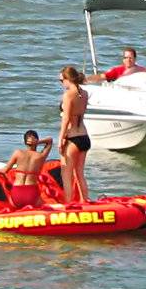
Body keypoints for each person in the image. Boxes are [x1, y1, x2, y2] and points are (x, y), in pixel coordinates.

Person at [58, 65, 91, 204]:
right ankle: (85, 202)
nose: (61, 84)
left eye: (61, 81)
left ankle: (68, 205)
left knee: (66, 174)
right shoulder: (84, 93)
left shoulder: (68, 95)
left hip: (73, 138)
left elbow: (66, 119)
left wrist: (60, 139)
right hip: (84, 136)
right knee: (80, 174)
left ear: (67, 79)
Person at [5, 129, 54, 208]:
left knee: (10, 201)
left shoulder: (18, 153)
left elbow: (4, 170)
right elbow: (50, 140)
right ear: (37, 141)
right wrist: (37, 142)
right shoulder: (40, 156)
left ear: (25, 142)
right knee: (47, 206)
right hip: (31, 194)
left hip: (16, 195)